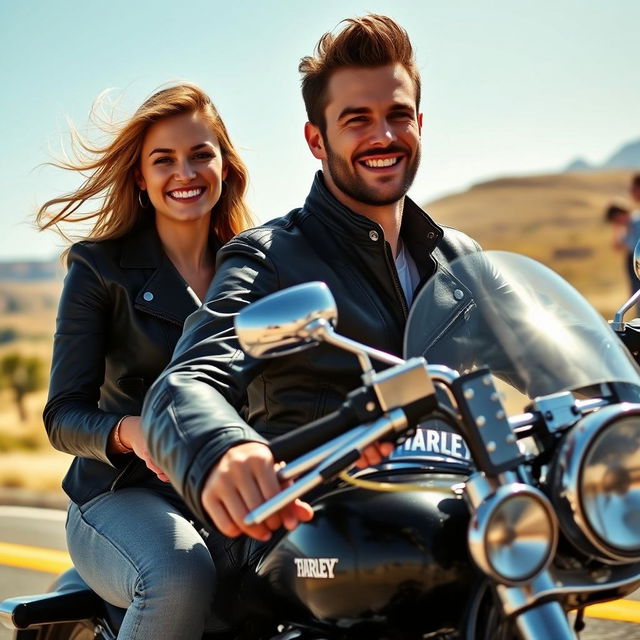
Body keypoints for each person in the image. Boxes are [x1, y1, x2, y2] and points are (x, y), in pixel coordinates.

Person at [141, 13, 481, 583]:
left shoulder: (460, 259)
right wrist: (223, 449)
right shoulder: (271, 256)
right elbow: (185, 381)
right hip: (311, 533)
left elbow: (545, 357)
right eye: (358, 120)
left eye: (399, 116)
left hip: (452, 509)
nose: (384, 136)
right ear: (316, 139)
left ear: (420, 123)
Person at [38, 83, 253, 639]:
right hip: (118, 496)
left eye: (201, 154)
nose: (185, 172)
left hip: (227, 494)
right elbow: (62, 415)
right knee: (177, 572)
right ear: (140, 177)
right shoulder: (97, 269)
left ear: (225, 165)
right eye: (164, 160)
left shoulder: (257, 269)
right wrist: (132, 432)